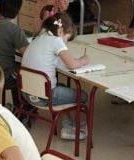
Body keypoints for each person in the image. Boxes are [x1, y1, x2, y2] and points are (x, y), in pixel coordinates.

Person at [20, 12, 90, 140]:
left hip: (26, 93)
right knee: (83, 95)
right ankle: (73, 129)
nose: (66, 44)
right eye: (67, 39)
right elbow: (72, 65)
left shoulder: (38, 38)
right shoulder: (56, 41)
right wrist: (84, 60)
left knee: (61, 86)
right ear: (61, 30)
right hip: (46, 96)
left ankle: (67, 126)